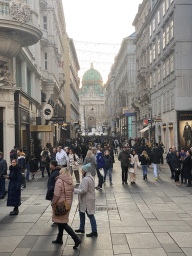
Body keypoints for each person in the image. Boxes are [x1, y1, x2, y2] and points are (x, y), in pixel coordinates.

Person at [51, 168, 81, 249]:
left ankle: (76, 239)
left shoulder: (59, 181)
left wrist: (53, 203)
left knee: (63, 223)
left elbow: (56, 194)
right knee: (61, 221)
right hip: (67, 204)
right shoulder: (70, 181)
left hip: (60, 204)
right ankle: (59, 238)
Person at [74, 163, 98, 237]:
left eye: (82, 170)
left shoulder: (86, 179)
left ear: (85, 171)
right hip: (87, 199)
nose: (81, 171)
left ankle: (94, 231)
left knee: (90, 215)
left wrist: (75, 190)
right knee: (81, 213)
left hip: (87, 200)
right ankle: (81, 229)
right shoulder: (90, 177)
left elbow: (84, 190)